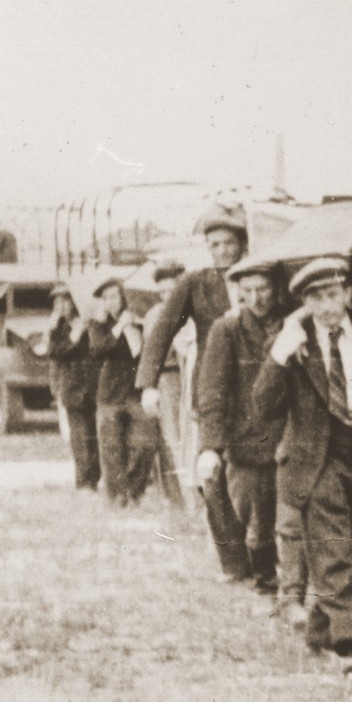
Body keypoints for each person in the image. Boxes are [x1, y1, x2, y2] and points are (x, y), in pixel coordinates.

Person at [253, 257, 352, 677]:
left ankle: (321, 627)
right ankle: (351, 645)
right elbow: (263, 405)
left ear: (348, 294)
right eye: (316, 298)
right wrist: (281, 352)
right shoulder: (293, 343)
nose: (328, 305)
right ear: (303, 303)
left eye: (334, 294)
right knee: (334, 546)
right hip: (318, 454)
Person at [138, 207, 250, 582]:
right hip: (212, 389)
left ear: (242, 245)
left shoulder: (259, 277)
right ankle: (233, 564)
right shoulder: (195, 283)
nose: (222, 251)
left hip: (256, 391)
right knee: (211, 471)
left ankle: (265, 555)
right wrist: (149, 384)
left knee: (256, 472)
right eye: (214, 244)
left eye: (229, 243)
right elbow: (163, 330)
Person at [196, 256, 288, 605]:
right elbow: (212, 392)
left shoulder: (292, 324)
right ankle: (265, 584)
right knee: (255, 518)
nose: (256, 297)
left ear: (276, 288)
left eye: (263, 288)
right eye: (247, 290)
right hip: (247, 442)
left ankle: (294, 586)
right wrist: (211, 446)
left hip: (287, 437)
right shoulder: (227, 330)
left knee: (292, 519)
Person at [87, 277, 158, 508]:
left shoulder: (137, 320)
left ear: (123, 298)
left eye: (114, 296)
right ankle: (117, 497)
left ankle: (134, 492)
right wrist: (118, 327)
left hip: (135, 391)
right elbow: (98, 349)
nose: (110, 302)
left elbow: (141, 352)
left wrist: (129, 325)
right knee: (111, 448)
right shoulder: (98, 324)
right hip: (109, 394)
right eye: (106, 298)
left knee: (145, 443)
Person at [143, 262, 189, 508]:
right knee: (174, 438)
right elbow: (154, 352)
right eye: (163, 293)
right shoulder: (155, 315)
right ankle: (179, 498)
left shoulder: (191, 310)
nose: (168, 297)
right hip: (169, 377)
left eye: (173, 291)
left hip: (191, 375)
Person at [46, 285, 101, 490]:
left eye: (65, 301)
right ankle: (84, 480)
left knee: (93, 434)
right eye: (57, 302)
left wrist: (82, 330)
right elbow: (54, 352)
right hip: (72, 387)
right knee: (79, 436)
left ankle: (93, 478)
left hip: (91, 386)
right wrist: (73, 337)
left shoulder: (87, 324)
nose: (61, 306)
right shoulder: (57, 328)